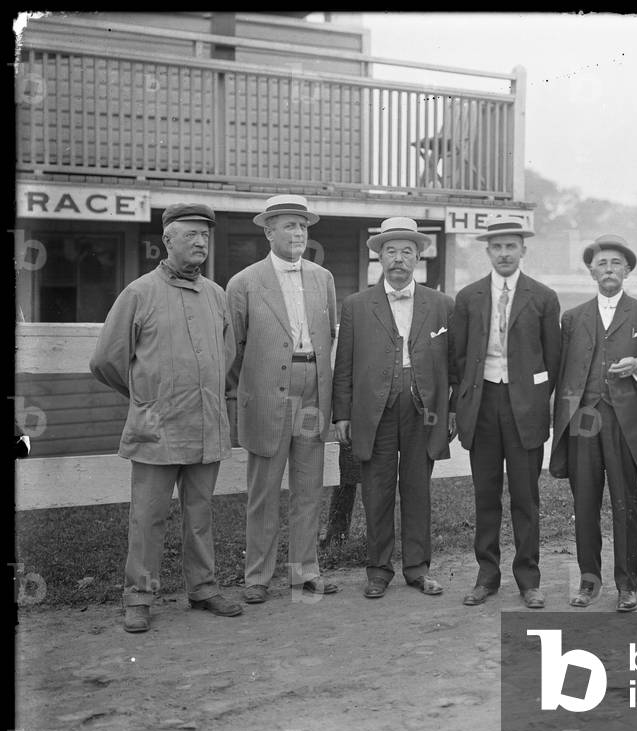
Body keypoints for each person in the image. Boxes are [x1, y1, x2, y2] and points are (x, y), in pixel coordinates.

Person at [90, 203, 241, 633]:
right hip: (156, 430)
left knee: (201, 514)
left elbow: (226, 354)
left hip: (205, 426)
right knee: (148, 516)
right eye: (190, 234)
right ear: (167, 241)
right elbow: (105, 360)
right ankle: (138, 597)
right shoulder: (139, 293)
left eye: (205, 236)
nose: (199, 242)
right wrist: (144, 397)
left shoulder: (216, 295)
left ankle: (204, 589)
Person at [332, 217, 456, 599]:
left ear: (418, 256)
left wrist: (451, 409)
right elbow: (345, 365)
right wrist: (343, 414)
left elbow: (455, 365)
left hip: (424, 411)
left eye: (406, 251)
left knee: (417, 489)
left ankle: (417, 568)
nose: (398, 259)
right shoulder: (356, 305)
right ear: (379, 258)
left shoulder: (441, 304)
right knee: (377, 489)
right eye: (390, 251)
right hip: (375, 411)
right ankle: (378, 569)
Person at [226, 194, 339, 604]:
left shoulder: (322, 278)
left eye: (303, 226)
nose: (298, 233)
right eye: (289, 225)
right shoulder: (244, 283)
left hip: (312, 390)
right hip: (267, 393)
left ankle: (304, 572)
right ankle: (257, 576)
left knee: (309, 486)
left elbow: (329, 338)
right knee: (264, 489)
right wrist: (251, 389)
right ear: (268, 231)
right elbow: (232, 349)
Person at [549, 234, 637, 612]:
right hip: (583, 420)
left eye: (616, 263)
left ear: (628, 270)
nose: (609, 269)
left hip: (624, 424)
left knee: (625, 504)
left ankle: (627, 585)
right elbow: (562, 373)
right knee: (584, 503)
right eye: (601, 263)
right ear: (591, 271)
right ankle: (588, 581)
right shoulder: (572, 318)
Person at [451, 217, 561, 609]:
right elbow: (460, 358)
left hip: (525, 410)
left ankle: (529, 579)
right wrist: (462, 406)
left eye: (510, 246)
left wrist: (538, 403)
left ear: (523, 250)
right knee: (485, 496)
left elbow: (554, 359)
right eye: (496, 247)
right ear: (488, 251)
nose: (503, 253)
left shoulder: (543, 297)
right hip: (483, 407)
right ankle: (487, 575)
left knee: (525, 497)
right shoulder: (469, 297)